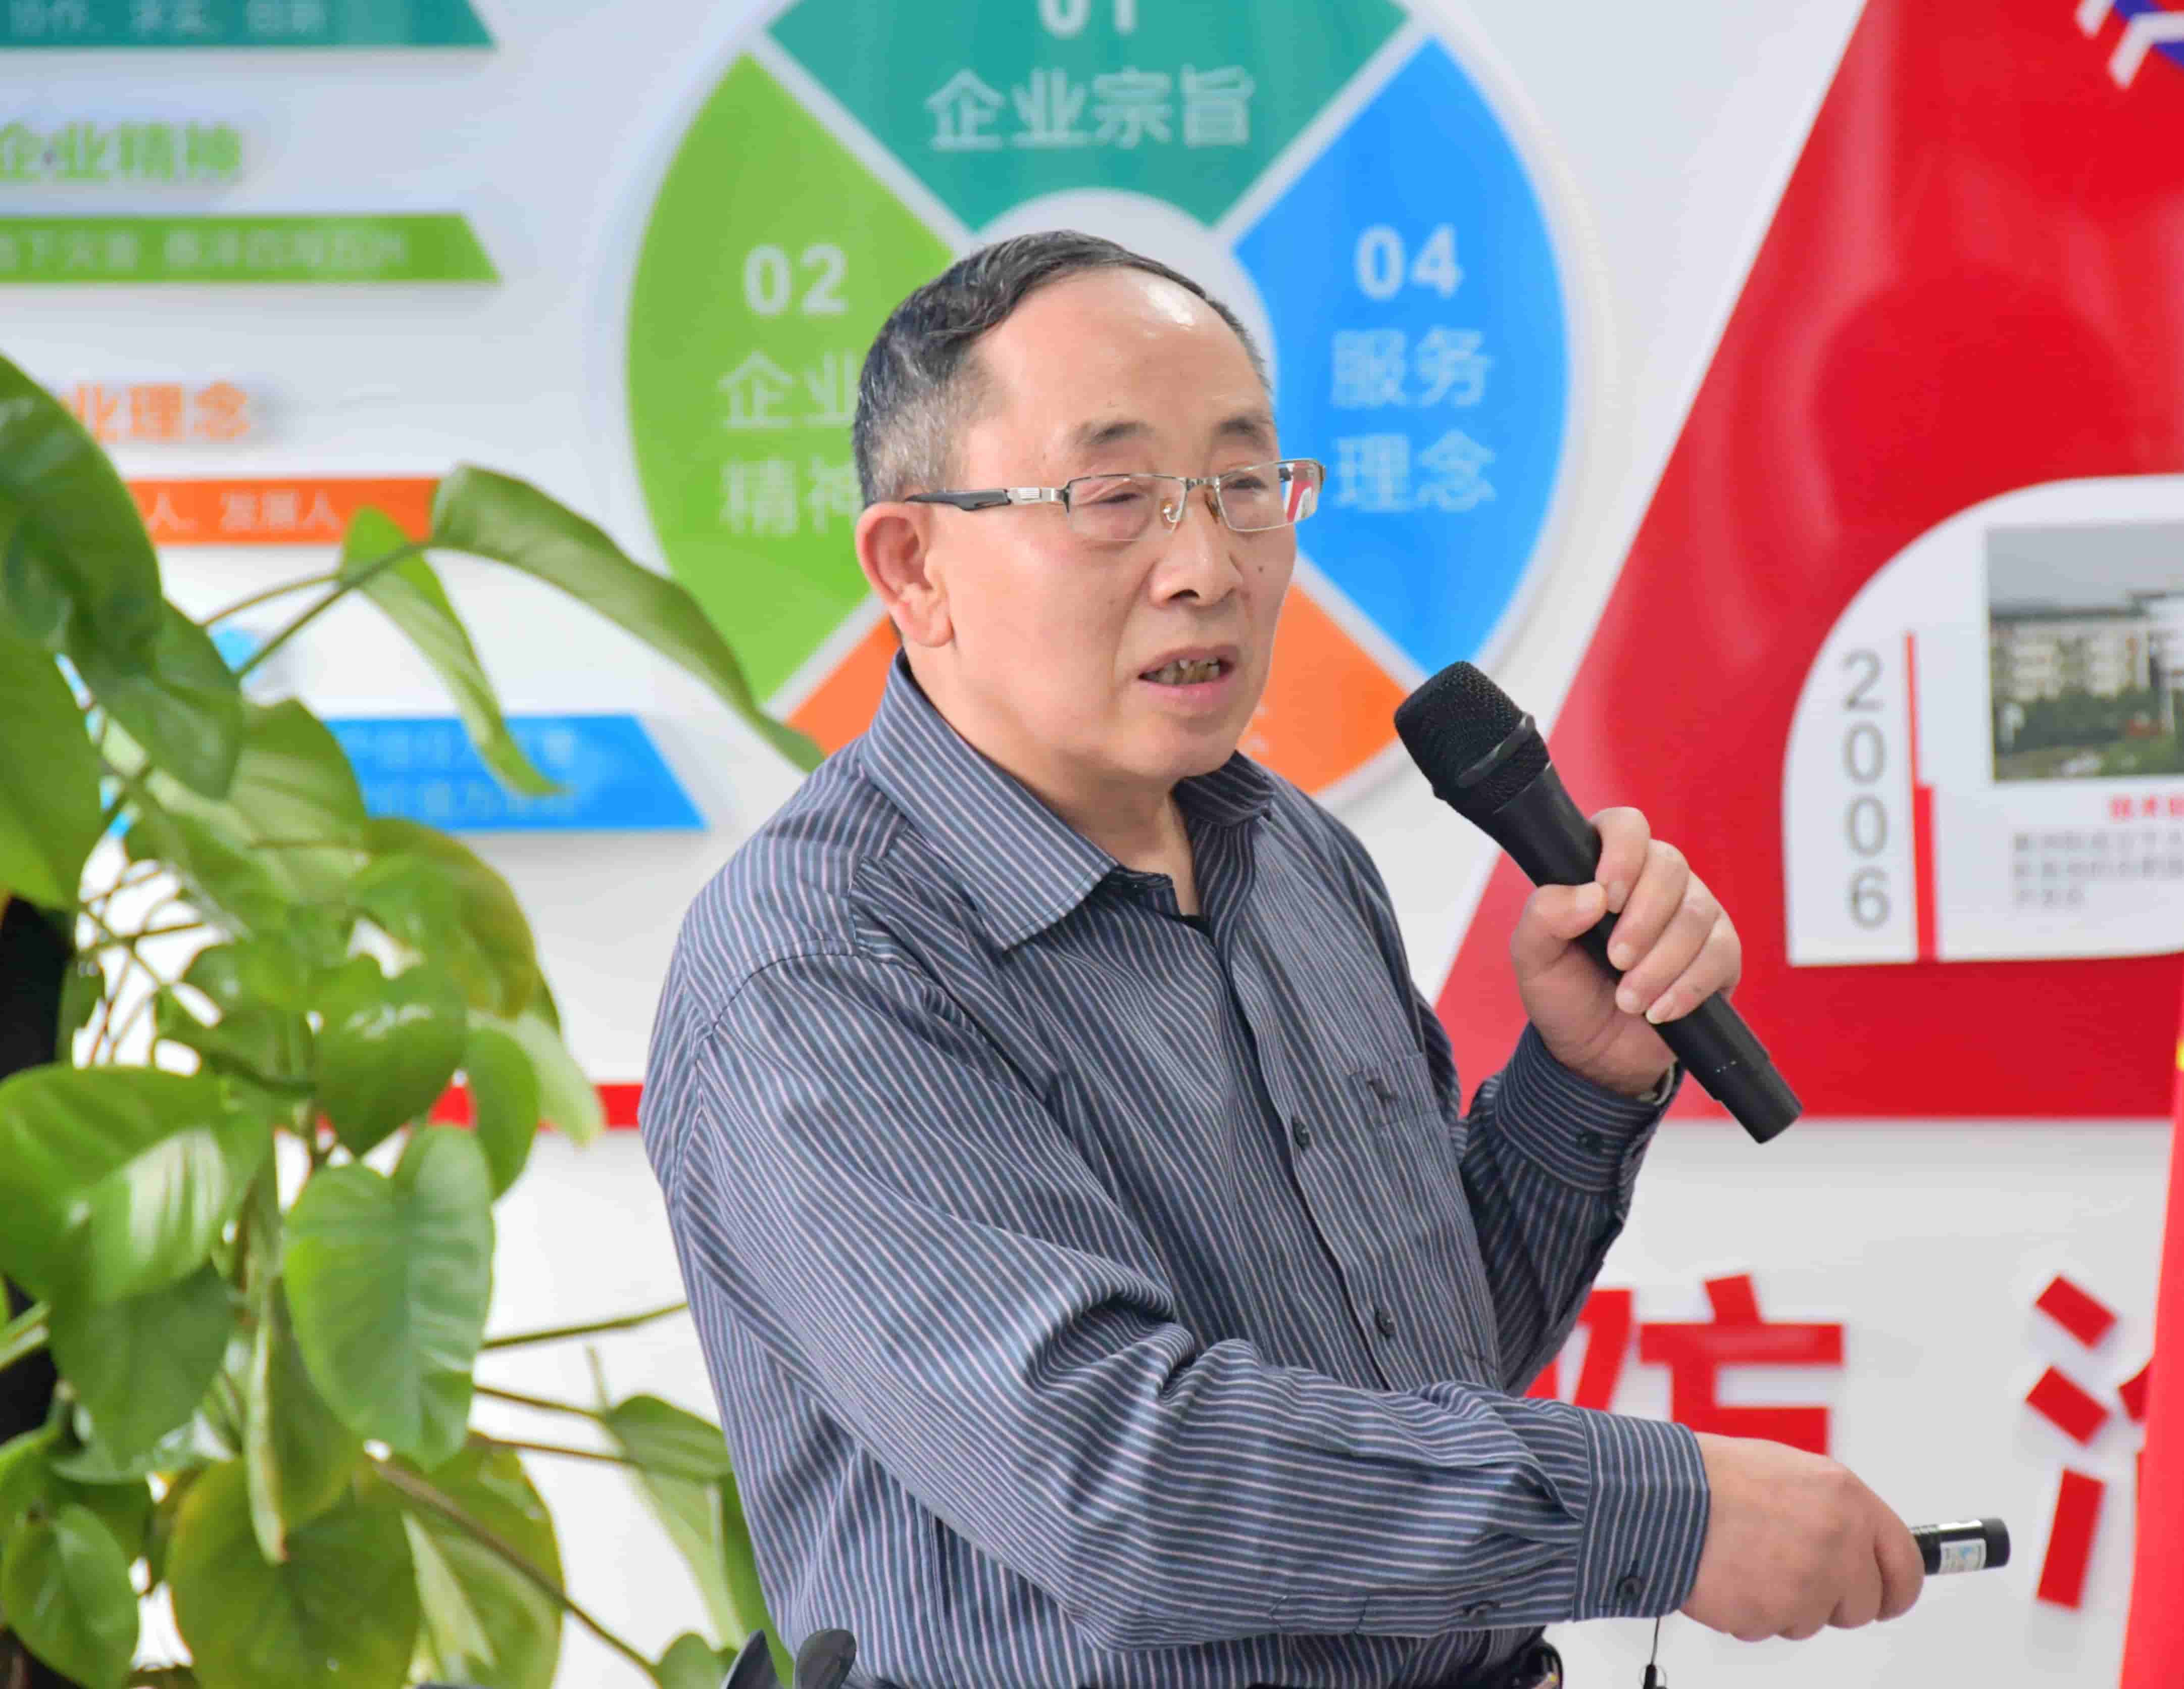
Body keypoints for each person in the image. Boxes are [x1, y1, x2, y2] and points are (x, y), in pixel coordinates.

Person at [640, 230, 1923, 1689]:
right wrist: (1660, 1514)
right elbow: (1120, 1480)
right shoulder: (819, 966)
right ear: (914, 566)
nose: (1206, 568)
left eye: (1244, 486)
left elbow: (1422, 1373)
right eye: (1113, 498)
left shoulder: (1293, 856)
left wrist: (1580, 1080)